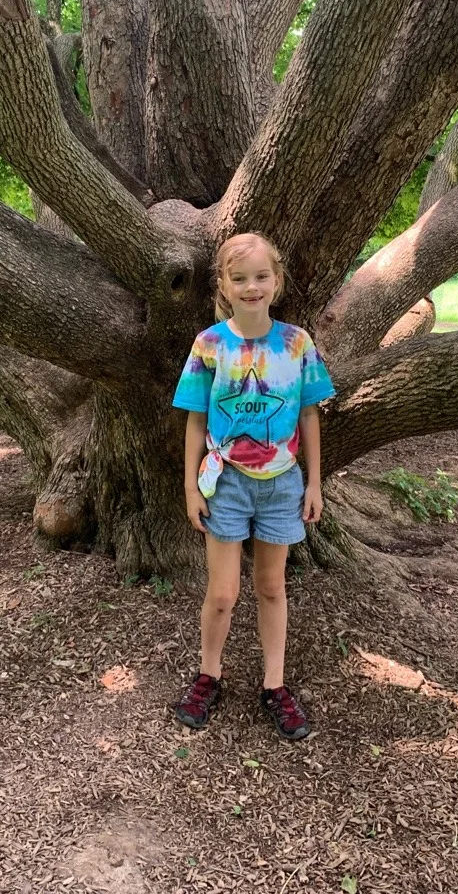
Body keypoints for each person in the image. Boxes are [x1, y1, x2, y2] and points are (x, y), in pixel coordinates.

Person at [171, 232, 336, 739]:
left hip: (282, 484)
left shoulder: (296, 343)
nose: (251, 287)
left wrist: (314, 483)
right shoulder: (209, 345)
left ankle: (274, 684)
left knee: (271, 586)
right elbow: (195, 421)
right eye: (239, 278)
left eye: (261, 276)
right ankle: (208, 674)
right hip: (225, 484)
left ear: (277, 281)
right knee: (222, 593)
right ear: (223, 285)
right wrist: (191, 488)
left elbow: (309, 414)